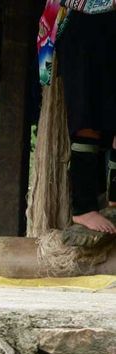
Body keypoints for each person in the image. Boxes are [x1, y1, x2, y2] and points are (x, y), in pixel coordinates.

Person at [54, 8, 116, 233]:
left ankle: (113, 199)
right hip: (85, 25)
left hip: (108, 26)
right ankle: (83, 208)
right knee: (87, 118)